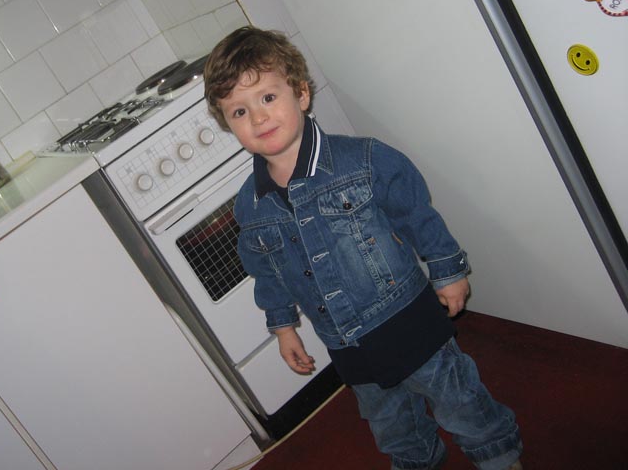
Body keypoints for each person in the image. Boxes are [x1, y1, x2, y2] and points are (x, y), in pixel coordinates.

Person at [203, 26, 523, 470]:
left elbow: (416, 213)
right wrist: (283, 327)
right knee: (390, 422)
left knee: (456, 397)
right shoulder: (250, 205)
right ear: (228, 123)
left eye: (268, 98)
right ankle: (416, 462)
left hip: (407, 319)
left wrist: (447, 269)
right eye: (240, 111)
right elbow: (266, 271)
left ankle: (498, 454)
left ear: (301, 94)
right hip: (345, 341)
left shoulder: (364, 159)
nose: (258, 118)